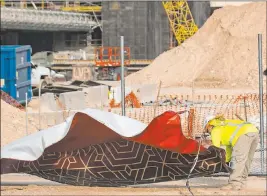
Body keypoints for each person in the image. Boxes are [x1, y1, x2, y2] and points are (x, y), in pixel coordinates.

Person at [203, 114, 259, 190]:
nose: (208, 132)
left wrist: (212, 160)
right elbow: (229, 147)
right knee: (247, 160)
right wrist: (227, 160)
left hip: (243, 134)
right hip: (254, 131)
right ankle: (242, 182)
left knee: (237, 160)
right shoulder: (224, 124)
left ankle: (234, 184)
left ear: (209, 125)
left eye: (207, 130)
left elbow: (216, 148)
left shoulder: (215, 129)